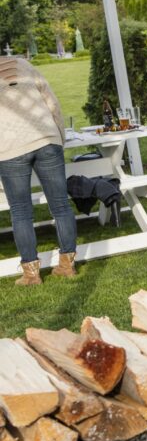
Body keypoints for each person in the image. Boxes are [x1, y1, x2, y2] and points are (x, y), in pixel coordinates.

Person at [0, 57, 77, 285]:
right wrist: (59, 137)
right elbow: (51, 101)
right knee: (61, 204)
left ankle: (31, 274)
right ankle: (67, 266)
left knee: (21, 211)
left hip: (10, 148)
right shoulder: (23, 64)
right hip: (47, 139)